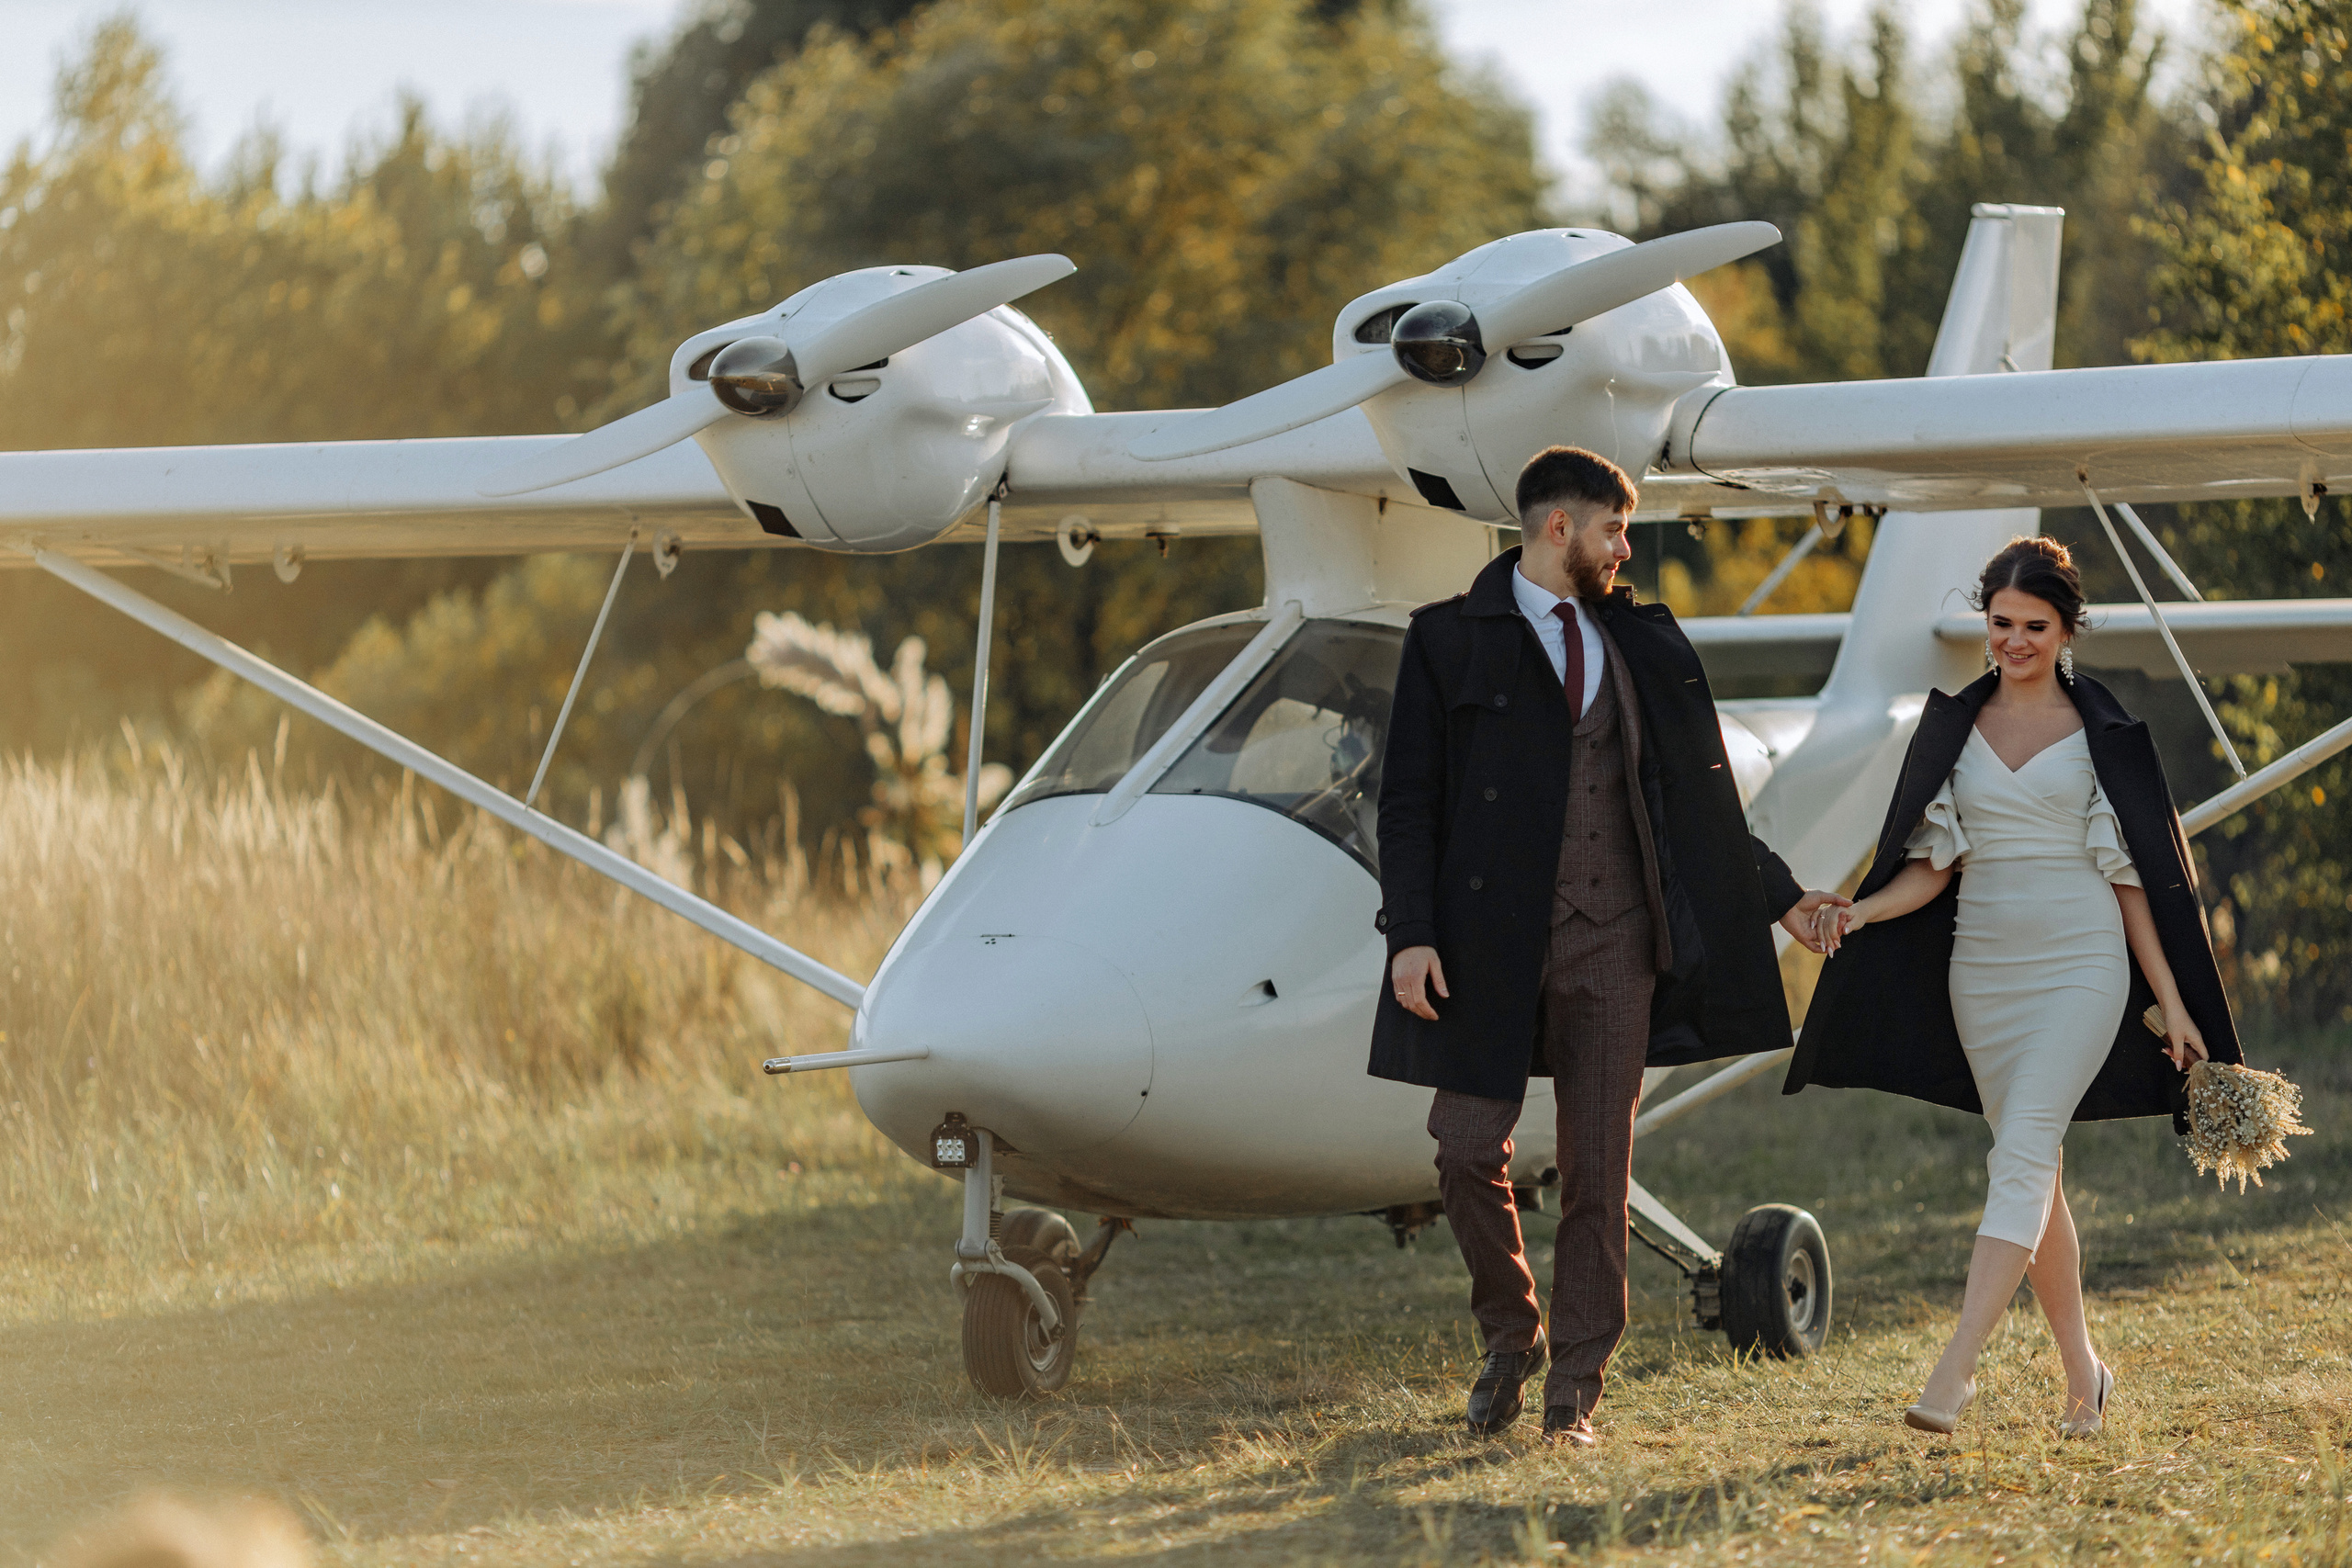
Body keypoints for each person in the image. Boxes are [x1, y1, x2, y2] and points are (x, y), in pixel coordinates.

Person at [1370, 445, 1848, 1448]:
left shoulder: (1643, 644)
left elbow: (1700, 801)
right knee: (1462, 1152)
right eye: (1612, 531)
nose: (1625, 550)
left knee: (1597, 1172)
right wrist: (1409, 935)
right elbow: (1408, 802)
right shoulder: (1446, 641)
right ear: (1558, 528)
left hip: (1616, 939)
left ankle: (1571, 1399)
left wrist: (1784, 897)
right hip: (1483, 942)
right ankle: (1513, 1337)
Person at [1788, 536, 2241, 1438]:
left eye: (2034, 626)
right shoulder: (1954, 727)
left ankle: (1953, 1371)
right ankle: (2085, 1378)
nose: (2014, 641)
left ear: (2066, 630)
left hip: (2080, 967)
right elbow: (1933, 868)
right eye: (2000, 624)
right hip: (1982, 975)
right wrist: (1862, 910)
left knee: (2020, 1161)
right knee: (2035, 1176)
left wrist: (2176, 1001)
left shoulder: (2102, 734)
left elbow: (2132, 882)